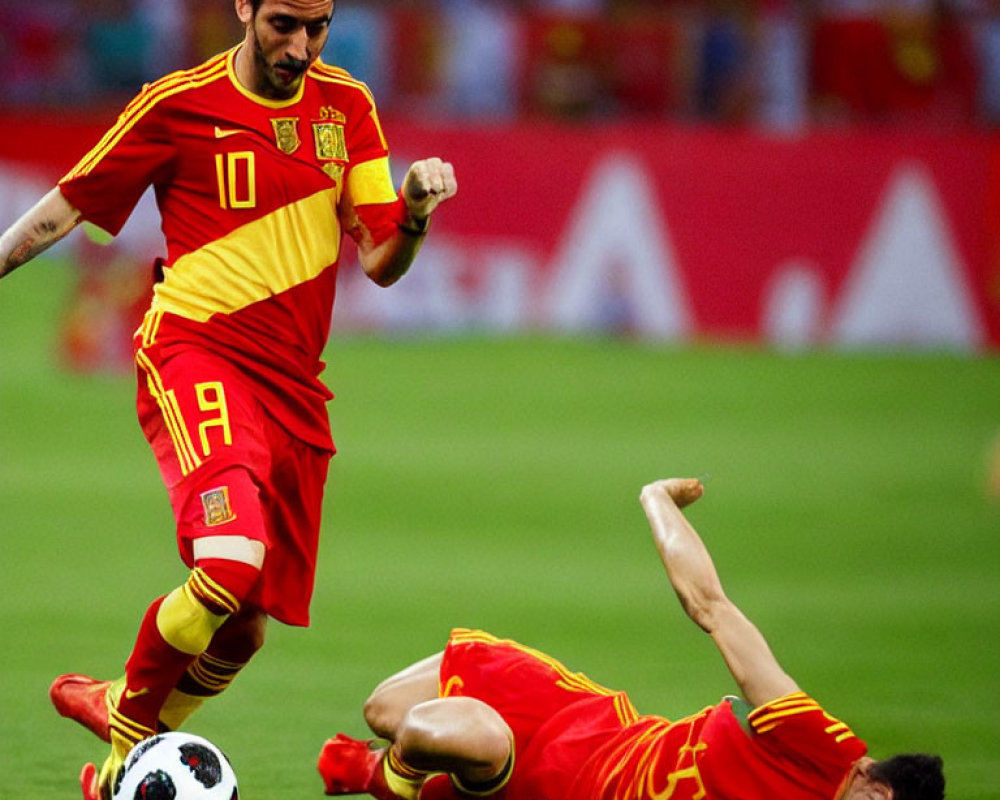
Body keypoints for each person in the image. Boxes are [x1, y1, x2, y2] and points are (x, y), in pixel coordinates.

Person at [0, 2, 457, 799]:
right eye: (284, 22)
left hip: (292, 387)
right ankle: (127, 750)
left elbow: (382, 259)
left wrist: (413, 215)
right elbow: (68, 204)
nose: (300, 45)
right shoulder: (178, 103)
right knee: (229, 559)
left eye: (317, 26)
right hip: (196, 352)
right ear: (244, 9)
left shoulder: (347, 107)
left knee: (243, 628)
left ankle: (120, 708)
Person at [317, 478, 945, 800]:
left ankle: (389, 777)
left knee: (464, 740)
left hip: (563, 791)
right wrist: (658, 501)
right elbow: (713, 608)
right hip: (590, 727)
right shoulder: (819, 743)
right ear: (871, 779)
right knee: (387, 710)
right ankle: (391, 774)